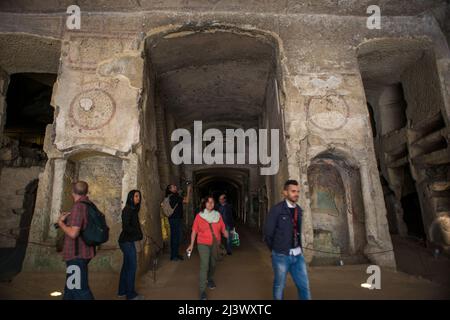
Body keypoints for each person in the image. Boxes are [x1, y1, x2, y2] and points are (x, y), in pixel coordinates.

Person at [263, 179, 311, 300]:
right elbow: (268, 233)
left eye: (298, 191)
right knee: (280, 285)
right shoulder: (276, 210)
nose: (296, 194)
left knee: (304, 286)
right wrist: (276, 249)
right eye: (293, 191)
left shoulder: (298, 210)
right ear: (285, 193)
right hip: (281, 255)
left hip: (298, 255)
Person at [57, 181, 95, 300]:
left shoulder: (78, 206)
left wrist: (61, 223)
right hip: (84, 251)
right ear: (86, 191)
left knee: (80, 289)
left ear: (72, 192)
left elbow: (73, 233)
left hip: (76, 254)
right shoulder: (88, 204)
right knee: (70, 287)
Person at [187, 196, 229, 300]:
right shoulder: (199, 216)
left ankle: (209, 279)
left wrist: (226, 233)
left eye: (212, 202)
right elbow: (194, 231)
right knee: (204, 265)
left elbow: (223, 228)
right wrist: (191, 245)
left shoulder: (218, 215)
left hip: (215, 244)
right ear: (204, 204)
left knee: (213, 264)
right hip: (203, 244)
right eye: (208, 202)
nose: (210, 204)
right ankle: (202, 291)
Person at [117, 190, 144, 300]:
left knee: (126, 267)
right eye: (136, 196)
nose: (138, 198)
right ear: (131, 197)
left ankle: (122, 291)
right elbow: (126, 227)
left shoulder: (133, 210)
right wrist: (138, 234)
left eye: (139, 196)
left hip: (128, 241)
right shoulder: (127, 210)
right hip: (126, 241)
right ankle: (131, 294)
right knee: (132, 267)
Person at [165, 184, 191, 261]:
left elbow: (184, 199)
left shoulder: (175, 196)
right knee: (176, 237)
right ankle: (173, 256)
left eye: (175, 186)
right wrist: (188, 190)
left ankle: (175, 254)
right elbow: (187, 201)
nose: (176, 187)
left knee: (176, 237)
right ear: (170, 189)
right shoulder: (173, 196)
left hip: (176, 219)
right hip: (174, 219)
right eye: (174, 187)